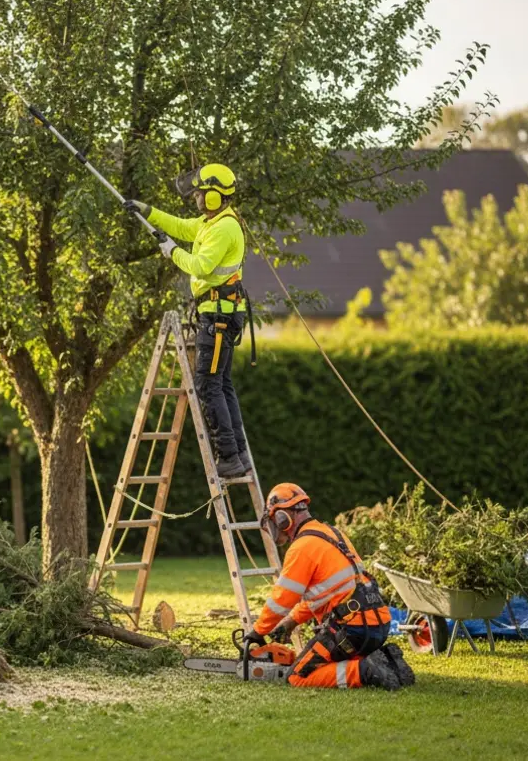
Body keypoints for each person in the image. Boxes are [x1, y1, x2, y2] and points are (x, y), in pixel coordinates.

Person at [123, 164, 253, 478]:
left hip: (218, 317)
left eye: (200, 192)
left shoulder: (224, 228)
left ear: (214, 196)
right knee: (221, 384)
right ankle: (239, 454)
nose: (195, 197)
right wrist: (147, 211)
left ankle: (229, 457)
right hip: (219, 313)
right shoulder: (211, 222)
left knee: (208, 386)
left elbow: (201, 266)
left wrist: (171, 252)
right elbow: (181, 226)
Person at [244, 482, 415, 690]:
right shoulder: (332, 533)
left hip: (350, 630)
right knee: (325, 660)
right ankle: (389, 661)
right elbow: (323, 595)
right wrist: (291, 621)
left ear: (282, 518)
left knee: (297, 676)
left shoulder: (302, 547)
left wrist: (258, 631)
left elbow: (282, 599)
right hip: (377, 625)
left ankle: (364, 671)